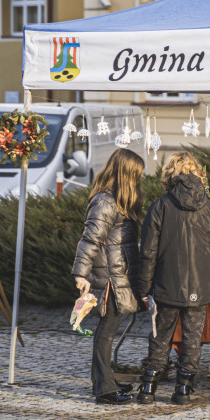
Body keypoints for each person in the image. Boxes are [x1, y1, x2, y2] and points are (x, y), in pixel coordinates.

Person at [135, 152, 210, 405]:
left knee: (160, 335)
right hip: (200, 284)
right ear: (196, 172)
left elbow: (148, 252)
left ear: (170, 173)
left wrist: (143, 288)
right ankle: (183, 389)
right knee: (192, 338)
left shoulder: (160, 205)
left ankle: (148, 389)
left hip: (166, 283)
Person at [73, 148, 145, 405]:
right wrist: (81, 273)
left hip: (118, 276)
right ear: (126, 174)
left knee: (107, 332)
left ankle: (104, 382)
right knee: (106, 333)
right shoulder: (105, 201)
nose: (139, 180)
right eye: (136, 175)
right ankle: (104, 389)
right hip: (110, 280)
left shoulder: (118, 201)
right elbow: (90, 239)